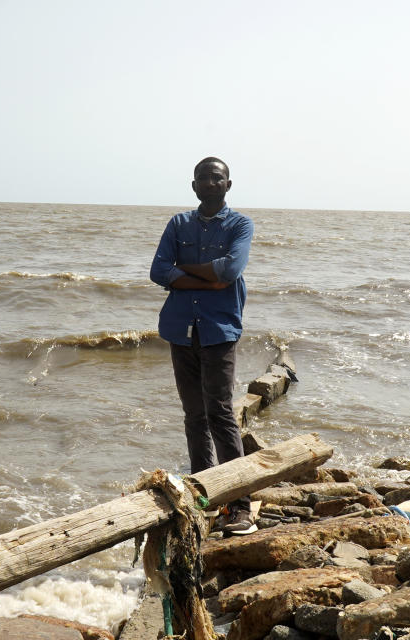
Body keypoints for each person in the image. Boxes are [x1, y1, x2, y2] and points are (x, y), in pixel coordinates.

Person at [149, 157, 255, 534]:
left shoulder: (241, 224)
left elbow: (229, 271)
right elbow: (158, 270)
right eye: (203, 178)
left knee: (220, 413)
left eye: (217, 178)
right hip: (181, 328)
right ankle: (205, 496)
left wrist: (187, 271)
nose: (210, 183)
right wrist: (207, 279)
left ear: (228, 185)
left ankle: (239, 507)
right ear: (193, 186)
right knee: (193, 415)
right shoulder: (178, 224)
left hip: (219, 329)